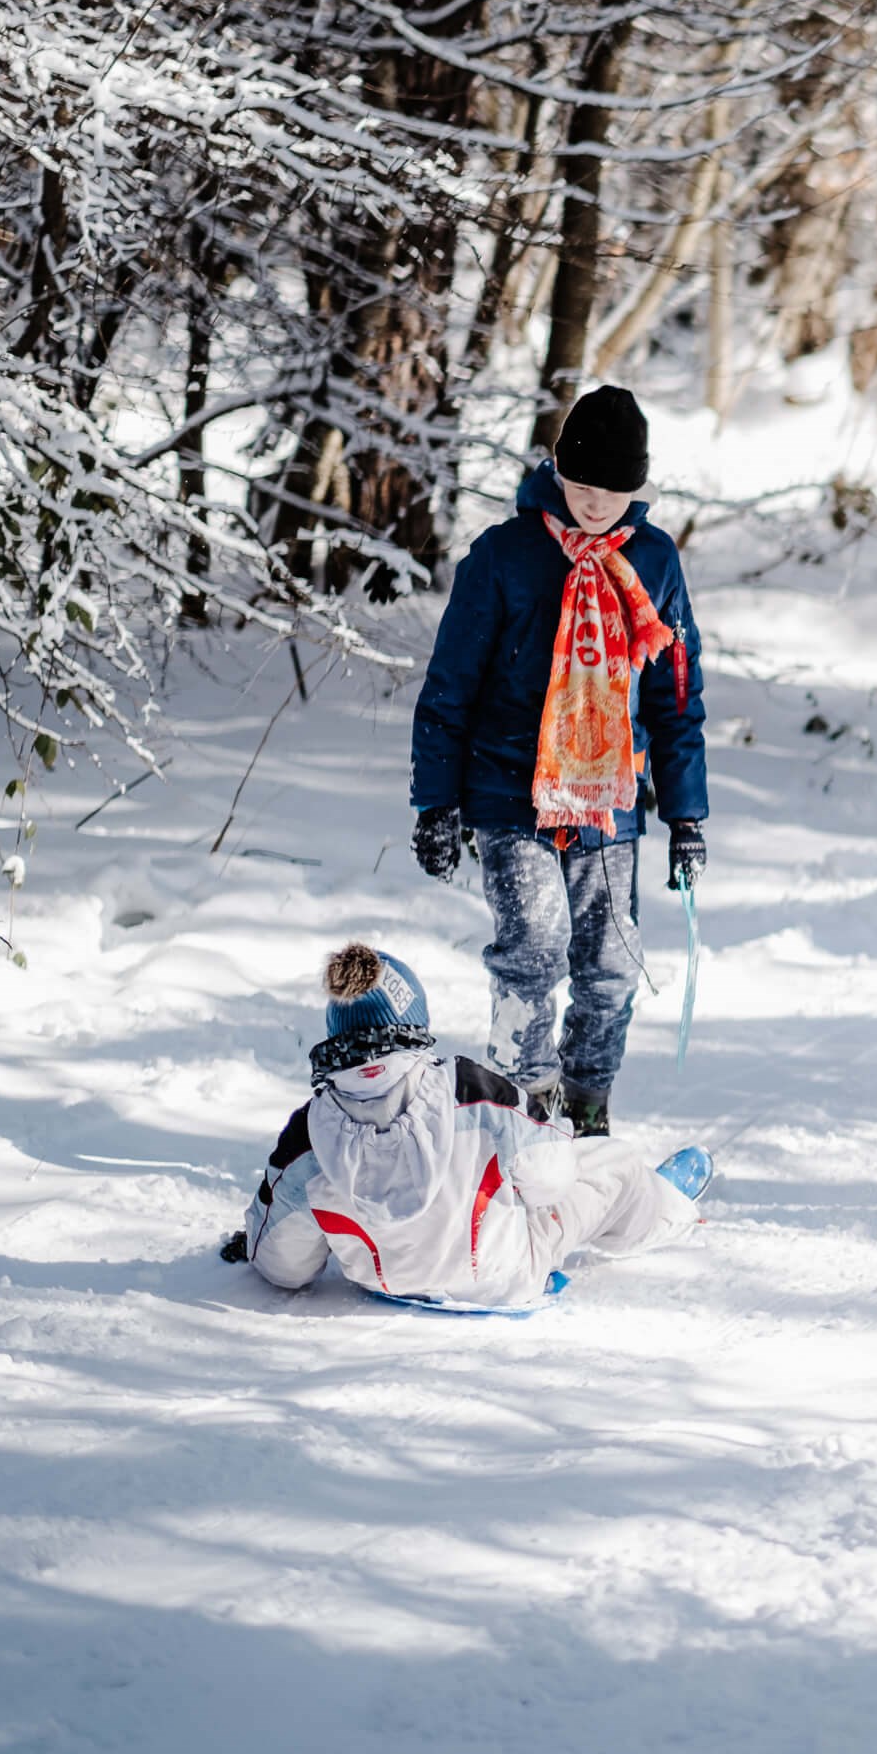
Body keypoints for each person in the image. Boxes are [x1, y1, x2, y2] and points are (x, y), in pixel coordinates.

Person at [412, 384, 707, 1135]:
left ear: (637, 486)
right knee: (535, 950)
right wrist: (436, 803)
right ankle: (525, 1111)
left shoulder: (654, 563)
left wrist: (686, 817)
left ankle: (587, 1110)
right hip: (511, 794)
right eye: (580, 485)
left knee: (611, 969)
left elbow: (676, 695)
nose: (594, 502)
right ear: (557, 471)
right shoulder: (504, 556)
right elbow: (449, 685)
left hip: (609, 803)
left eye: (612, 488)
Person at [221, 944, 714, 1309]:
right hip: (500, 1278)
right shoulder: (469, 1090)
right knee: (610, 1165)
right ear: (414, 1022)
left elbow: (284, 1265)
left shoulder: (310, 1130)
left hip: (384, 1284)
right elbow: (553, 1176)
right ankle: (667, 1206)